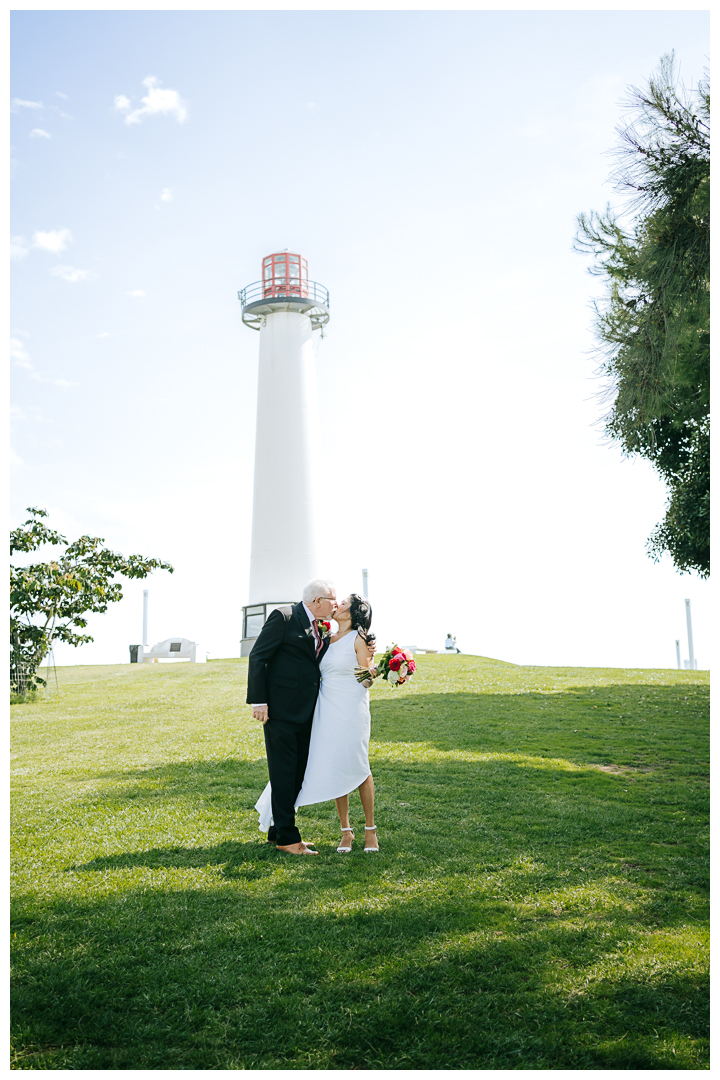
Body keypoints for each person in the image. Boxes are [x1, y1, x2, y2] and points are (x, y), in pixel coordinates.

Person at [255, 593, 380, 852]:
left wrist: (375, 672)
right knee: (335, 764)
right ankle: (346, 831)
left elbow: (364, 680)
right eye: (335, 601)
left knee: (358, 763)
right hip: (324, 708)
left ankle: (370, 830)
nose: (337, 605)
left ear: (353, 612)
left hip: (351, 707)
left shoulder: (361, 640)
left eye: (342, 603)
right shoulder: (324, 637)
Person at [247, 578, 337, 855]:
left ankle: (277, 832)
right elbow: (258, 657)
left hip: (307, 712)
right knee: (284, 773)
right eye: (334, 599)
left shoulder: (320, 627)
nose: (337, 603)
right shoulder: (284, 617)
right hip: (281, 711)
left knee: (296, 775)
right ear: (318, 601)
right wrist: (258, 701)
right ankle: (288, 838)